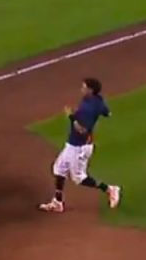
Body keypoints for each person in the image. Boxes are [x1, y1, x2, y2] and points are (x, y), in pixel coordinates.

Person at [39, 78, 121, 213]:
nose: (81, 89)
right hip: (73, 144)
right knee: (59, 169)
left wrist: (71, 116)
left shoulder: (87, 108)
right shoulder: (97, 99)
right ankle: (58, 202)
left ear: (90, 90)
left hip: (80, 147)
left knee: (79, 178)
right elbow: (107, 113)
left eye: (84, 87)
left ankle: (110, 189)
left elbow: (82, 130)